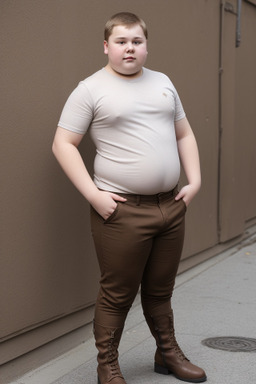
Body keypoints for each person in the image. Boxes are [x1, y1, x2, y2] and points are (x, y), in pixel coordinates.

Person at [52, 12, 207, 384]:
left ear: (146, 46)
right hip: (121, 211)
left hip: (170, 206)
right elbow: (63, 144)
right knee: (117, 294)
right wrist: (94, 195)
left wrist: (196, 181)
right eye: (121, 41)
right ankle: (107, 366)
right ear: (106, 46)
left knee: (160, 289)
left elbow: (184, 134)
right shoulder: (90, 88)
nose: (129, 48)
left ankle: (166, 354)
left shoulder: (163, 82)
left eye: (136, 41)